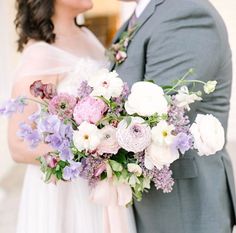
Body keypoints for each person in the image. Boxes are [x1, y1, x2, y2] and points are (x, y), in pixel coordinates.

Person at [8, 0, 136, 233]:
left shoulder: (87, 35)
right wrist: (87, 156)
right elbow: (18, 146)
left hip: (101, 183)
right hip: (63, 191)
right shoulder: (40, 53)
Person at [113, 0, 236, 232]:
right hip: (151, 203)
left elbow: (156, 119)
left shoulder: (185, 12)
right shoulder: (140, 17)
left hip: (182, 205)